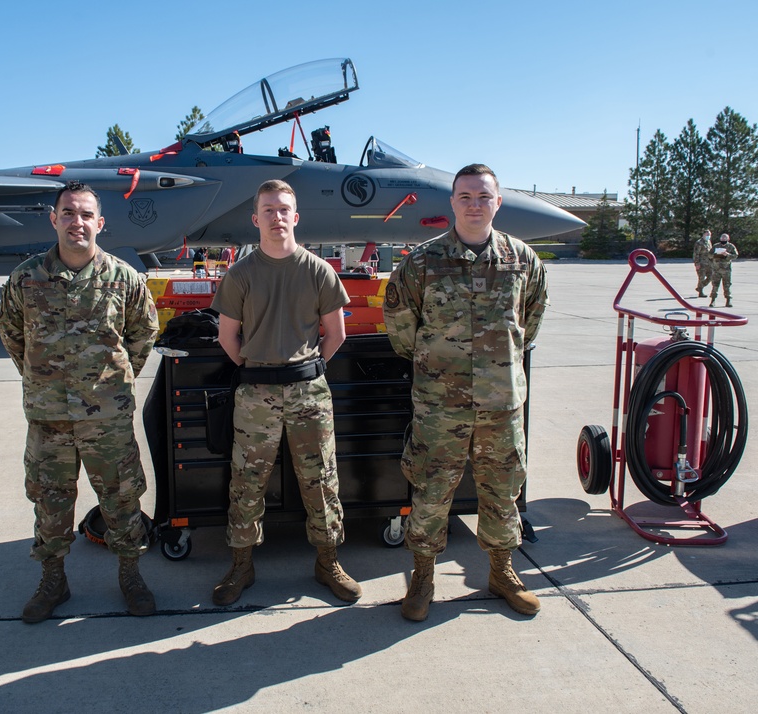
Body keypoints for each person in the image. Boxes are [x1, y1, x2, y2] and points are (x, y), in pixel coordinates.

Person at [383, 164, 548, 622]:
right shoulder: (421, 263)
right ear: (452, 202)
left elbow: (529, 323)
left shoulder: (522, 259)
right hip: (440, 406)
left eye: (483, 196)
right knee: (432, 491)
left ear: (498, 202)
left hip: (501, 404)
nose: (474, 204)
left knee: (502, 491)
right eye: (465, 196)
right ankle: (422, 578)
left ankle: (502, 571)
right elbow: (400, 329)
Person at [0, 181, 159, 623]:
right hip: (48, 418)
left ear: (100, 223)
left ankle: (130, 574)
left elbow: (143, 335)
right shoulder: (26, 278)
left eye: (86, 214)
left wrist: (113, 382)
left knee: (123, 500)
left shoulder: (123, 277)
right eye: (68, 212)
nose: (77, 222)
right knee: (49, 501)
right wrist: (40, 379)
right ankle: (54, 580)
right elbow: (11, 333)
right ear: (54, 219)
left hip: (107, 418)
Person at [208, 179, 361, 606]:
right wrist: (257, 368)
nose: (277, 217)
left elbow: (336, 334)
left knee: (321, 479)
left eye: (284, 210)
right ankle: (241, 565)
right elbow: (227, 339)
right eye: (269, 210)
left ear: (296, 217)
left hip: (308, 392)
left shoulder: (318, 270)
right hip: (256, 393)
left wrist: (307, 369)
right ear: (256, 219)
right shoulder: (240, 275)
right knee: (246, 482)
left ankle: (328, 561)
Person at [709, 233, 738, 307]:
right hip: (716, 269)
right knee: (715, 285)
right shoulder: (716, 246)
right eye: (722, 238)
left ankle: (728, 300)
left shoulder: (731, 246)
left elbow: (735, 255)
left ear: (728, 239)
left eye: (725, 238)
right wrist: (716, 255)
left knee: (727, 285)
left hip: (726, 270)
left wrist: (727, 255)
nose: (723, 239)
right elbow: (709, 255)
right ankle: (713, 300)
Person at [693, 230, 713, 298]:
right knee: (701, 277)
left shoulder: (708, 242)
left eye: (709, 235)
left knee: (711, 276)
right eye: (707, 234)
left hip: (709, 263)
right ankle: (701, 292)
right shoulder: (699, 243)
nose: (708, 236)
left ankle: (700, 287)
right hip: (701, 263)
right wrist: (697, 263)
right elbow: (696, 254)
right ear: (703, 234)